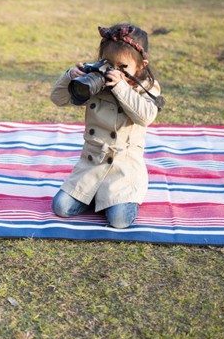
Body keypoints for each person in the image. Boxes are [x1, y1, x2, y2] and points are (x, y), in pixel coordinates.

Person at [50, 24, 163, 228]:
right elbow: (58, 99)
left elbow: (145, 117)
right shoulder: (97, 82)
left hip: (124, 169)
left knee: (119, 221)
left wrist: (120, 86)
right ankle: (96, 196)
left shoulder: (146, 87)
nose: (114, 71)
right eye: (108, 63)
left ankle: (120, 197)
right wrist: (70, 77)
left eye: (123, 67)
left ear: (141, 65)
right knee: (61, 207)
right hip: (92, 164)